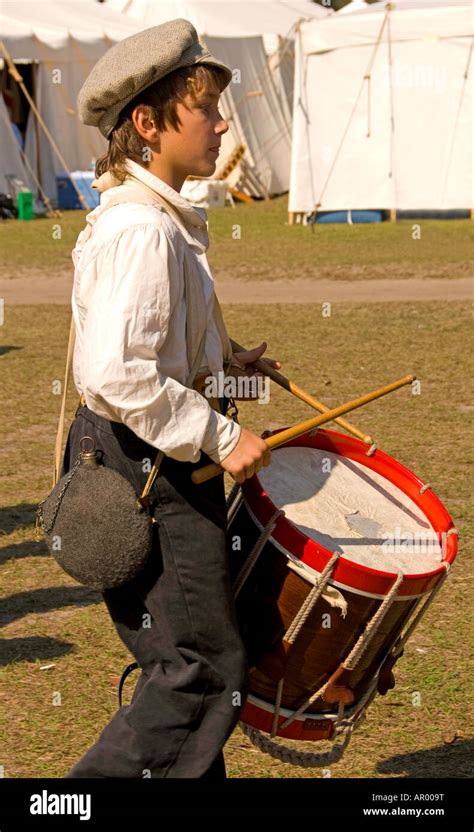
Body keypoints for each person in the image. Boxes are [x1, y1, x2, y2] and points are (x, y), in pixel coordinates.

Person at [61, 18, 281, 779]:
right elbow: (118, 374)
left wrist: (232, 370)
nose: (223, 122)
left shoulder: (154, 218)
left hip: (151, 455)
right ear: (149, 124)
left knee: (186, 654)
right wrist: (220, 438)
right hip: (148, 468)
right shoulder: (142, 232)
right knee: (197, 668)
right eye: (205, 107)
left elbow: (163, 357)